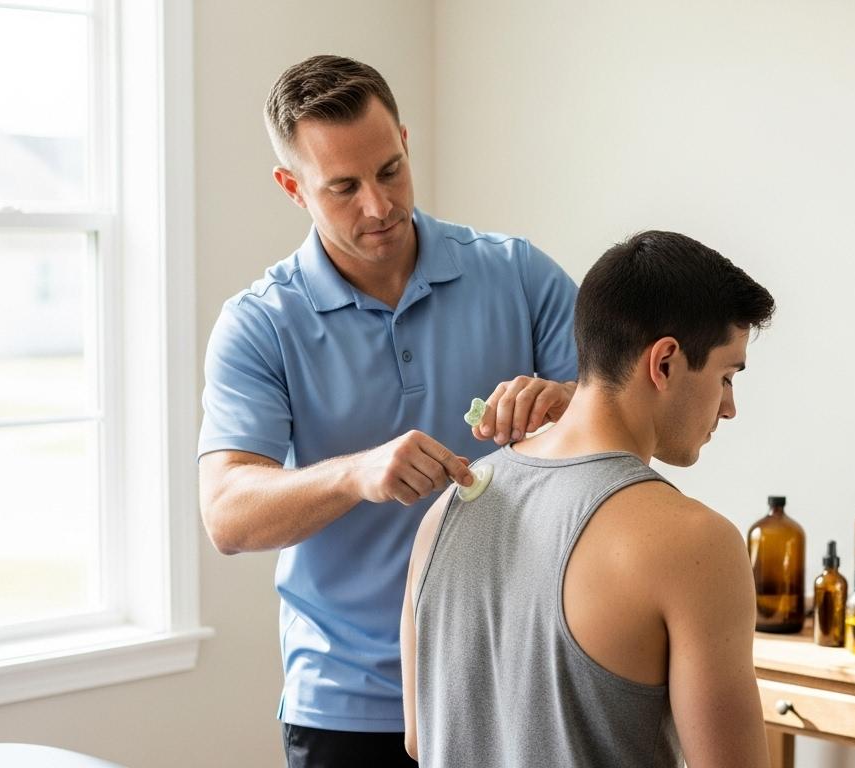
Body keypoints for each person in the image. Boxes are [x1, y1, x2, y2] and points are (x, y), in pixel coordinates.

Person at [197, 55, 580, 767]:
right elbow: (226, 514)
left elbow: (631, 413)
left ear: (404, 141)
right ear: (293, 188)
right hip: (348, 708)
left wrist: (568, 402)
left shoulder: (519, 273)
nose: (378, 206)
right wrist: (356, 475)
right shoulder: (259, 324)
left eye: (390, 170)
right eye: (342, 187)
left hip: (518, 681)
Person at [400, 231, 776, 767]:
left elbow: (421, 736)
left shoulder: (447, 510)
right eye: (726, 376)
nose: (729, 407)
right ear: (664, 362)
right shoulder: (696, 545)